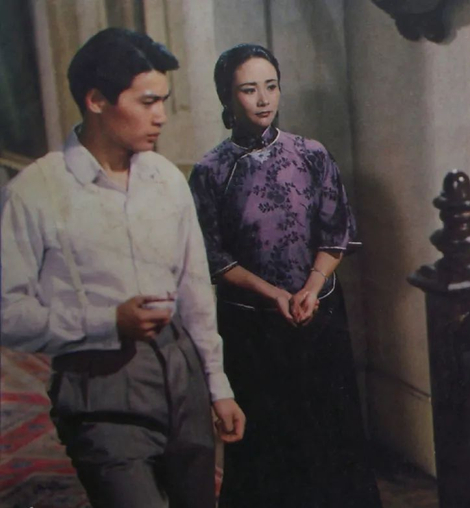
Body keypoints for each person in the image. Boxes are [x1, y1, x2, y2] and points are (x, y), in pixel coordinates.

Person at [0, 28, 245, 508]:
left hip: (183, 378)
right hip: (99, 388)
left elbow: (195, 292)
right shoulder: (36, 190)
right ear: (96, 100)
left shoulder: (166, 180)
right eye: (147, 102)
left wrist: (218, 387)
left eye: (164, 101)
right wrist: (108, 322)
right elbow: (7, 313)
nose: (161, 116)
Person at [188, 44, 382, 508]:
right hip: (252, 329)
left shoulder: (312, 155)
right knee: (267, 451)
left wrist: (311, 288)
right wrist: (274, 293)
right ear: (226, 96)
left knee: (331, 442)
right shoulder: (211, 172)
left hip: (319, 317)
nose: (263, 99)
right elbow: (212, 256)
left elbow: (336, 234)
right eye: (248, 90)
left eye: (271, 86)